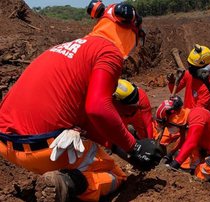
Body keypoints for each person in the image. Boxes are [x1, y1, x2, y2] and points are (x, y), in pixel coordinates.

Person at [0, 2, 162, 201]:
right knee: (115, 175)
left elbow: (87, 120)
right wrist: (134, 148)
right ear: (130, 30)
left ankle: (61, 178)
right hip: (44, 149)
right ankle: (68, 183)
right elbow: (97, 108)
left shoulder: (66, 48)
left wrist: (121, 147)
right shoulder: (108, 52)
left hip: (6, 145)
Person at [167, 44, 210, 112]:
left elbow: (198, 111)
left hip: (199, 119)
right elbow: (174, 89)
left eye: (193, 67)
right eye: (190, 65)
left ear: (205, 68)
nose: (190, 69)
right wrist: (172, 81)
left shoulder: (207, 86)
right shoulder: (189, 74)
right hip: (187, 114)